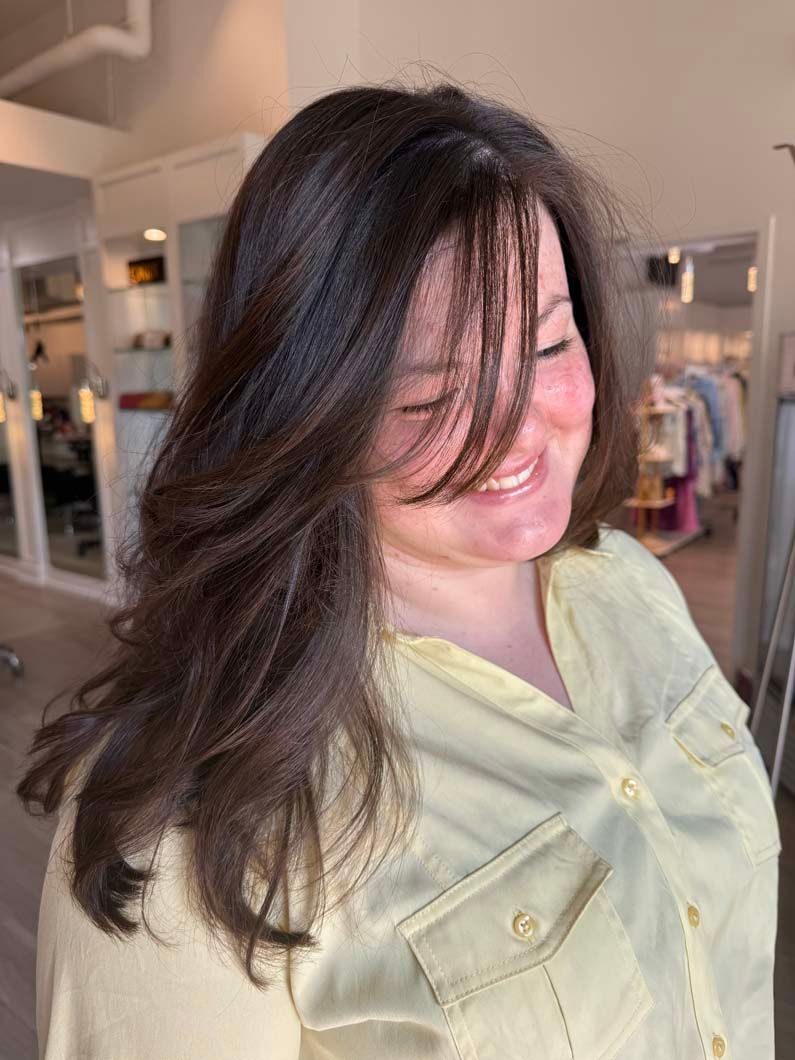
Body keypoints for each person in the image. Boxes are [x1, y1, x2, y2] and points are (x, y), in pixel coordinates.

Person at [19, 81, 780, 1060]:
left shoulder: (627, 581)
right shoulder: (189, 807)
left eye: (549, 341)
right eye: (428, 395)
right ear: (305, 407)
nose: (518, 426)